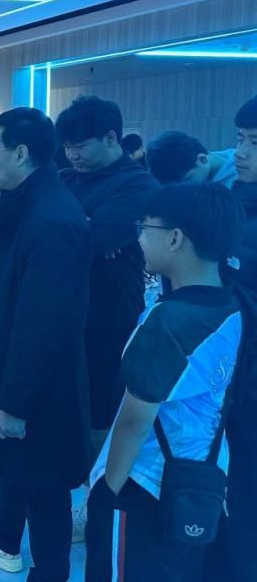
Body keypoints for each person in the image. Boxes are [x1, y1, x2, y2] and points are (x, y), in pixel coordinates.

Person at [85, 182, 244, 582]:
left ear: (174, 238)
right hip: (200, 480)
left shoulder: (168, 322)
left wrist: (107, 491)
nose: (138, 238)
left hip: (145, 485)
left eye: (144, 227)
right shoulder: (230, 304)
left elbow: (135, 419)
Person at [0, 108, 93, 582]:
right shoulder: (28, 205)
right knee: (29, 480)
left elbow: (43, 323)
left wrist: (15, 403)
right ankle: (18, 549)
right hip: (26, 382)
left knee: (45, 491)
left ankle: (50, 574)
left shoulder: (51, 219)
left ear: (20, 153)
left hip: (41, 393)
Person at [56, 96, 159, 540]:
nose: (71, 154)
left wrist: (79, 230)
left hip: (109, 315)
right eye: (66, 146)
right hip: (63, 309)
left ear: (112, 138)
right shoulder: (64, 178)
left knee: (102, 409)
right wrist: (82, 226)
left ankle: (96, 501)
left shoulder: (137, 184)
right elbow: (47, 229)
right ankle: (72, 488)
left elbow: (95, 239)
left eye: (80, 145)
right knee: (66, 406)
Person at [203, 95, 257, 581]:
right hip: (230, 379)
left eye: (254, 143)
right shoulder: (234, 205)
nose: (239, 152)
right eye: (240, 139)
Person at [146, 131, 236, 186]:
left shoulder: (239, 179)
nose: (184, 189)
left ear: (203, 160)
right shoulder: (201, 172)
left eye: (188, 180)